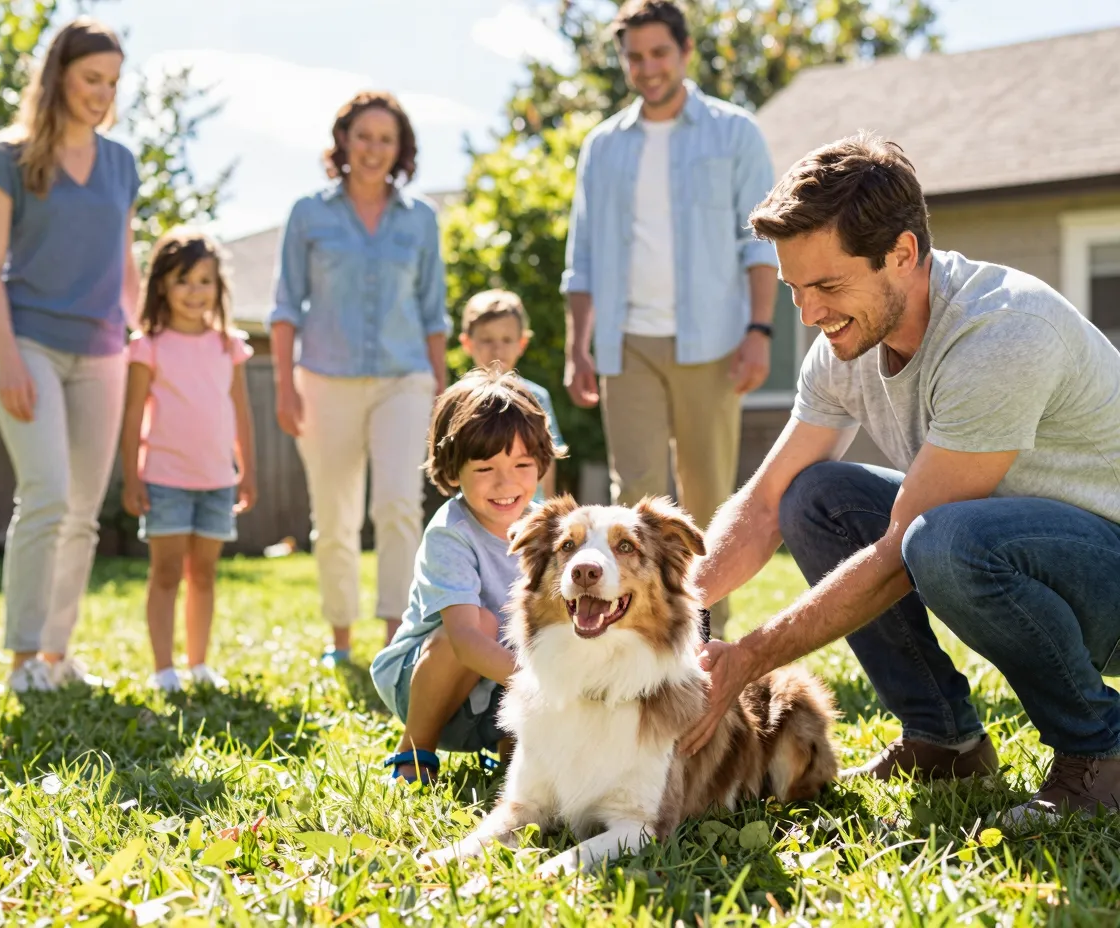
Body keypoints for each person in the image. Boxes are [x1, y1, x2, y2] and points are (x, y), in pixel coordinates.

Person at [678, 131, 1120, 829]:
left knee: (939, 540)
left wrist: (746, 658)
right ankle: (946, 741)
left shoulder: (1002, 330)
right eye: (795, 289)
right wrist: (670, 607)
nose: (809, 313)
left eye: (827, 285)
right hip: (1016, 551)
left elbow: (896, 558)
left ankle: (1103, 752)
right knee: (815, 499)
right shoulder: (844, 344)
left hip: (1107, 575)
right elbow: (766, 502)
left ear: (903, 254)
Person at [560, 0, 779, 640]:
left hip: (712, 341)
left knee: (708, 495)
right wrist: (580, 348)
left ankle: (707, 634)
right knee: (637, 495)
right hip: (625, 343)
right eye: (634, 56)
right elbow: (583, 258)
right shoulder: (601, 147)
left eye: (659, 53)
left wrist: (758, 332)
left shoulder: (733, 132)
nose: (647, 67)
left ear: (684, 53)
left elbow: (759, 242)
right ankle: (641, 630)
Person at [0, 17, 140, 693]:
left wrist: (139, 335)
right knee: (45, 493)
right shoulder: (8, 156)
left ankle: (55, 656)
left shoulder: (121, 163)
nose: (102, 94)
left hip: (102, 352)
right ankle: (20, 658)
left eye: (113, 83)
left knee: (83, 512)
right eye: (90, 78)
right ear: (58, 75)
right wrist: (8, 356)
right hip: (30, 343)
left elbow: (124, 264)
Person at [270, 91, 450, 668]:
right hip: (323, 380)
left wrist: (444, 396)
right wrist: (281, 386)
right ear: (343, 140)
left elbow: (433, 313)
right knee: (335, 515)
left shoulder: (420, 219)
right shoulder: (308, 213)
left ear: (401, 150)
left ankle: (396, 636)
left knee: (398, 504)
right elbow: (284, 308)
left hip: (405, 380)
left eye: (386, 139)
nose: (374, 149)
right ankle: (340, 637)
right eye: (364, 136)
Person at [369, 368, 561, 784]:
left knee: (545, 629)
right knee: (486, 623)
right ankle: (414, 750)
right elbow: (466, 641)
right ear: (453, 471)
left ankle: (513, 755)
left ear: (542, 464)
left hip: (499, 695)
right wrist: (546, 684)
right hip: (428, 685)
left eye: (522, 463)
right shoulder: (450, 534)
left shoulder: (544, 529)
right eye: (485, 469)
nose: (506, 482)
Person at [120, 229, 257, 692]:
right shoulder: (148, 345)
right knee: (165, 573)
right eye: (183, 281)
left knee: (204, 575)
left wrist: (247, 471)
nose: (195, 292)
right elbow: (134, 413)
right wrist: (131, 476)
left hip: (217, 481)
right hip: (164, 479)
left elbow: (241, 410)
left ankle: (198, 664)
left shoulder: (228, 345)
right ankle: (164, 669)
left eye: (205, 281)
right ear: (161, 285)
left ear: (218, 287)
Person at [458, 288, 568, 501]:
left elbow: (548, 459)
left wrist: (547, 511)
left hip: (527, 510)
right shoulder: (461, 399)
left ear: (522, 344)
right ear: (467, 343)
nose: (497, 350)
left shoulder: (536, 397)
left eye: (507, 340)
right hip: (478, 512)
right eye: (487, 340)